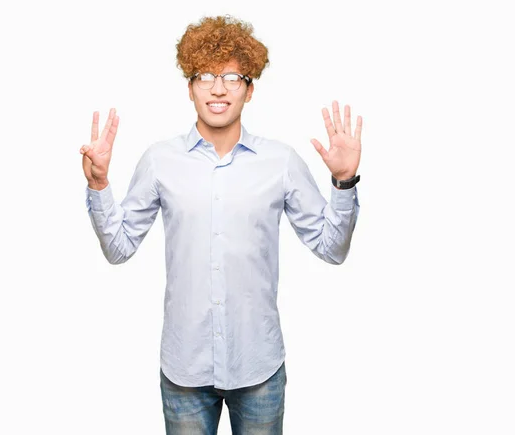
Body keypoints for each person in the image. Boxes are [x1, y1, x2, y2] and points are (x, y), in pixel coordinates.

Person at [80, 14, 362, 435]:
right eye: (205, 75)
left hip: (259, 367)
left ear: (250, 90)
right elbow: (119, 248)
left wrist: (343, 182)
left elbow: (331, 248)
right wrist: (99, 184)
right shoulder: (160, 160)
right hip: (185, 371)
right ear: (190, 86)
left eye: (232, 77)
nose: (217, 88)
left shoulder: (280, 162)